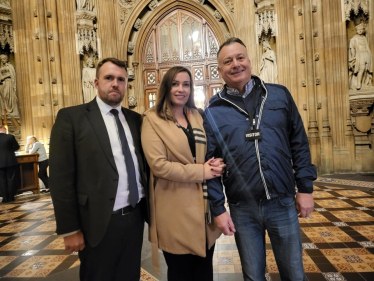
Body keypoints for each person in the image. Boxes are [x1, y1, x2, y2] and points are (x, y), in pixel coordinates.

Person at [203, 37, 317, 281]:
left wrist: (305, 187)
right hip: (242, 208)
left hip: (282, 202)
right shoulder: (213, 110)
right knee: (253, 276)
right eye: (228, 61)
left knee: (294, 274)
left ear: (250, 61)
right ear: (220, 70)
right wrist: (217, 208)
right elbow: (210, 165)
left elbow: (299, 142)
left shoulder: (278, 95)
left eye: (240, 57)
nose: (236, 64)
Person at [49, 57, 149, 281]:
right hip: (96, 221)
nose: (115, 83)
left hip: (134, 218)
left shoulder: (135, 120)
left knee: (129, 276)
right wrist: (69, 228)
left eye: (121, 79)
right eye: (109, 78)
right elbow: (60, 178)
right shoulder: (71, 118)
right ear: (96, 83)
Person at [141, 66, 224, 281]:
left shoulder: (196, 115)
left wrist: (214, 164)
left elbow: (206, 152)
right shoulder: (152, 119)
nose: (181, 89)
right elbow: (159, 165)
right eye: (175, 84)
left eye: (186, 84)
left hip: (203, 211)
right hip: (174, 209)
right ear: (166, 88)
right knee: (180, 273)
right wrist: (202, 171)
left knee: (204, 272)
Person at [348, 22, 373, 90]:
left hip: (366, 54)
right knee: (361, 68)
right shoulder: (354, 39)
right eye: (359, 29)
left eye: (361, 29)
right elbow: (352, 48)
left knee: (366, 69)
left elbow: (367, 47)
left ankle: (364, 83)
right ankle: (358, 83)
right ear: (356, 30)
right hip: (359, 55)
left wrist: (369, 55)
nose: (360, 31)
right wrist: (353, 56)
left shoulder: (364, 38)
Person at [0, 125, 20, 202]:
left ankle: (5, 198)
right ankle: (11, 197)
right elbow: (16, 147)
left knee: (1, 180)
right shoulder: (10, 137)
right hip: (10, 161)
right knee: (11, 179)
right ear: (4, 130)